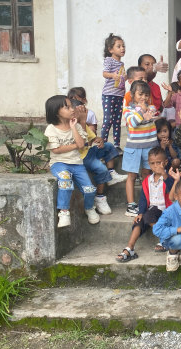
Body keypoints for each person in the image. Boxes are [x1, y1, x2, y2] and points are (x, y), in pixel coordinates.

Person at [44, 95, 99, 227]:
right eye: (67, 107)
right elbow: (56, 150)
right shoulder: (51, 129)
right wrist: (75, 145)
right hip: (59, 163)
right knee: (65, 181)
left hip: (77, 164)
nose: (72, 109)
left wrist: (74, 127)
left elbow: (82, 144)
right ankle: (63, 212)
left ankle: (89, 208)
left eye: (71, 106)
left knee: (90, 189)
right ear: (56, 111)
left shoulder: (77, 126)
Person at [115, 147, 175, 262]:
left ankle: (164, 237)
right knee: (139, 220)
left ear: (165, 162)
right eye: (152, 163)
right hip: (152, 211)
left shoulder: (169, 177)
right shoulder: (147, 180)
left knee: (149, 215)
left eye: (159, 163)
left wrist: (165, 175)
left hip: (167, 210)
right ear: (148, 164)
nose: (156, 166)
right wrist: (140, 213)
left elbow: (173, 189)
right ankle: (130, 248)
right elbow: (143, 199)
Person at [71, 99, 125, 216]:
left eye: (84, 111)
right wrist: (82, 121)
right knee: (101, 169)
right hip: (82, 157)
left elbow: (92, 140)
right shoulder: (72, 127)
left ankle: (112, 173)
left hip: (89, 151)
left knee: (109, 146)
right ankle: (100, 198)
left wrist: (99, 140)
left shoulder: (83, 124)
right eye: (80, 112)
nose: (84, 113)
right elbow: (84, 144)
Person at [122, 81, 159, 217]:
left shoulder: (152, 108)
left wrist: (145, 111)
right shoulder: (127, 110)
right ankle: (131, 205)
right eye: (140, 94)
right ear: (132, 95)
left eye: (146, 95)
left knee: (147, 175)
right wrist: (142, 112)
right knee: (131, 176)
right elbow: (132, 122)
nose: (143, 97)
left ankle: (148, 202)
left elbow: (152, 115)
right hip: (134, 148)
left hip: (150, 148)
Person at [100, 33, 126, 150]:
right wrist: (112, 75)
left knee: (117, 121)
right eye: (119, 46)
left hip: (119, 95)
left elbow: (121, 78)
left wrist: (124, 78)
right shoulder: (109, 60)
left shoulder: (121, 63)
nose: (122, 48)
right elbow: (104, 73)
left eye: (123, 46)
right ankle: (103, 144)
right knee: (108, 120)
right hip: (109, 95)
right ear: (110, 49)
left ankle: (116, 145)